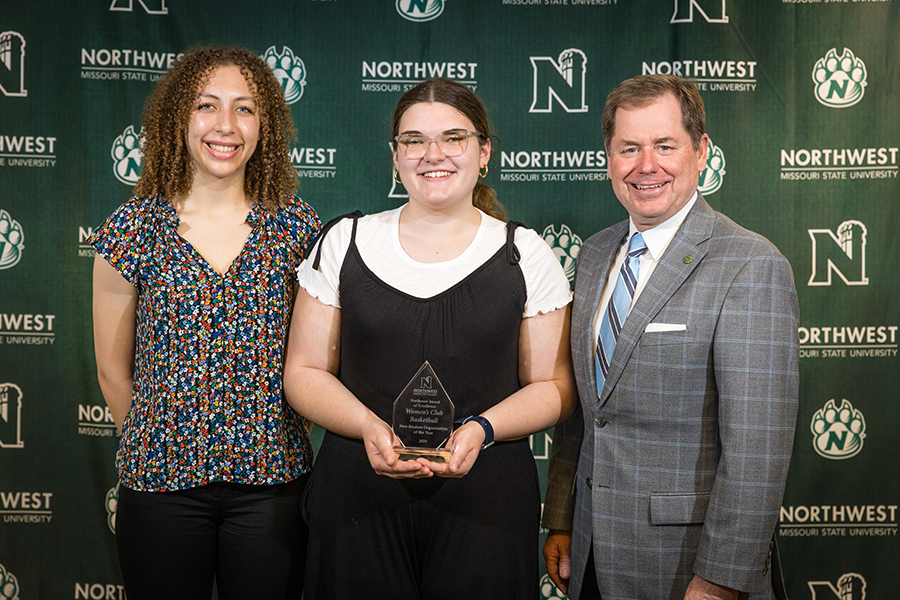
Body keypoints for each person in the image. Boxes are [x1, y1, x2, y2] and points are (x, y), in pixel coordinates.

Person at [283, 77, 577, 600]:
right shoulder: (345, 240)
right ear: (395, 157)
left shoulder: (525, 253)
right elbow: (304, 374)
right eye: (414, 140)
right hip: (357, 498)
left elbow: (553, 387)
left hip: (485, 500)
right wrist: (368, 427)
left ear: (483, 153)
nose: (432, 155)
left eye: (453, 138)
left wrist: (482, 430)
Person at [542, 74, 800, 600]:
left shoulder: (750, 264)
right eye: (628, 148)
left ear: (701, 150)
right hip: (592, 553)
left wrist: (721, 580)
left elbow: (758, 450)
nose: (646, 166)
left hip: (688, 567)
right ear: (609, 157)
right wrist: (563, 518)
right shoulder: (593, 255)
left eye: (665, 146)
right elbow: (589, 412)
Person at [90, 46, 320, 600]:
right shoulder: (133, 227)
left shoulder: (296, 227)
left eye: (245, 109)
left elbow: (313, 362)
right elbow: (113, 373)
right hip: (160, 486)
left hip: (272, 484)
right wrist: (162, 444)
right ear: (178, 119)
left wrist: (272, 437)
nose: (225, 125)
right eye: (207, 106)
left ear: (265, 124)